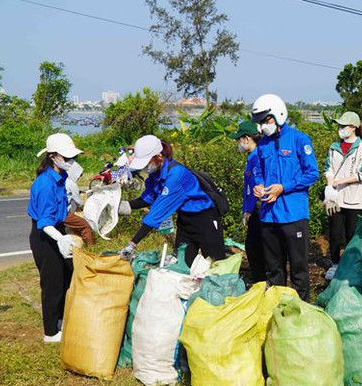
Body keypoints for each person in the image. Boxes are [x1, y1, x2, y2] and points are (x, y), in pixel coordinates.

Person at [251, 94, 319, 301]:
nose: (263, 127)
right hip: (269, 216)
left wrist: (284, 187)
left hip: (294, 214)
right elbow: (257, 171)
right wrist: (258, 185)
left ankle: (302, 309)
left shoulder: (299, 139)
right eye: (261, 123)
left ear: (279, 116)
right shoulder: (262, 145)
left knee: (298, 267)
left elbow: (312, 173)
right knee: (273, 268)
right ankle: (277, 306)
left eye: (266, 121)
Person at [118, 135, 225, 266]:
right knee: (184, 266)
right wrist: (121, 206)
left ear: (158, 156)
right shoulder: (155, 174)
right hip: (185, 222)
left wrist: (132, 244)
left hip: (205, 220)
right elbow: (147, 199)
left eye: (146, 163)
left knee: (216, 265)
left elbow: (156, 213)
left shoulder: (176, 175)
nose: (145, 168)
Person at [28, 133, 84, 343]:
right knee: (52, 283)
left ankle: (61, 320)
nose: (71, 162)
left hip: (58, 230)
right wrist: (60, 239)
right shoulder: (45, 184)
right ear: (53, 157)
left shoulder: (61, 178)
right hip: (46, 236)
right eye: (67, 158)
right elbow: (44, 222)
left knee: (66, 278)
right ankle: (50, 332)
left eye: (72, 158)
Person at [322, 111, 362, 280]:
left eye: (344, 126)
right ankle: (335, 263)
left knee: (352, 234)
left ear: (353, 128)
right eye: (340, 126)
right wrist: (330, 186)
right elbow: (328, 168)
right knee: (335, 233)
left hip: (354, 199)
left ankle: (351, 265)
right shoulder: (334, 147)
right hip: (335, 197)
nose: (340, 129)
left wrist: (341, 181)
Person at [230, 120, 266, 284]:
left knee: (254, 247)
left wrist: (249, 210)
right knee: (253, 246)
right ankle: (259, 279)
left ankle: (261, 281)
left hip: (259, 208)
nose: (239, 143)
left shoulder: (257, 157)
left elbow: (256, 188)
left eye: (239, 139)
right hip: (253, 207)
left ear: (246, 139)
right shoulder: (252, 157)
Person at [63, 159, 95, 246]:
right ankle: (91, 248)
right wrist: (86, 204)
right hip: (64, 213)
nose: (78, 178)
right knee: (85, 226)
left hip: (58, 210)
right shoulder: (72, 183)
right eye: (78, 176)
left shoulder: (63, 180)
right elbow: (78, 201)